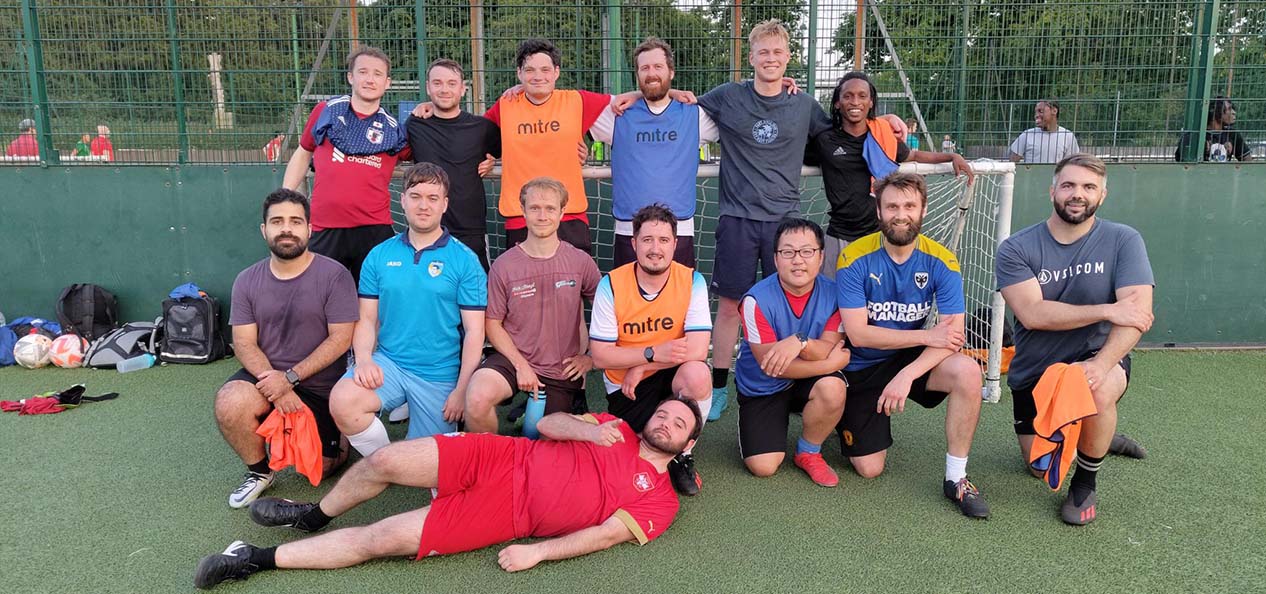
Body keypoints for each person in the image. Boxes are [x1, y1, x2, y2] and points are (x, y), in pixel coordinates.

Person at [193, 399, 701, 590]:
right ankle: (313, 516)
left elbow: (605, 536)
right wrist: (587, 431)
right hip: (504, 456)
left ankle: (252, 559)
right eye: (663, 412)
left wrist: (539, 552)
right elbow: (547, 422)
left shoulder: (661, 500)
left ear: (687, 443)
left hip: (508, 514)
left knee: (382, 539)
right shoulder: (612, 424)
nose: (665, 421)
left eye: (679, 422)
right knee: (385, 460)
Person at [696, 20, 908, 422]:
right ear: (752, 56)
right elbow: (679, 107)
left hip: (786, 222)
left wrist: (888, 119)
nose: (770, 59)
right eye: (763, 53)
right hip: (738, 218)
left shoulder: (804, 105)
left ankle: (797, 382)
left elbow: (851, 129)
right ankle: (720, 385)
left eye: (777, 53)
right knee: (730, 308)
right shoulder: (727, 97)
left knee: (794, 306)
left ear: (788, 57)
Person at [996, 153, 1154, 525]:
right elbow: (1032, 314)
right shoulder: (1017, 248)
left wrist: (1101, 365)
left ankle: (1085, 483)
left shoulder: (1124, 240)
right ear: (1053, 190)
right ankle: (1094, 431)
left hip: (1097, 356)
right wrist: (1105, 310)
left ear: (1103, 194)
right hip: (1035, 370)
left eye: (1088, 187)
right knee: (1036, 469)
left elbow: (1137, 315)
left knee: (1095, 389)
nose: (1077, 194)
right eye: (1068, 185)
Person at [835, 172, 990, 519]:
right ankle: (843, 417)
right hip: (862, 366)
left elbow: (952, 336)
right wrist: (924, 336)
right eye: (891, 206)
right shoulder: (853, 258)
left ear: (923, 211)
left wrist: (908, 374)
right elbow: (859, 334)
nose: (900, 214)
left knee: (967, 370)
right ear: (879, 211)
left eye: (909, 206)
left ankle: (957, 478)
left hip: (910, 362)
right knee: (869, 468)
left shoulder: (943, 261)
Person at [215, 188, 359, 508]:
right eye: (277, 221)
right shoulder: (246, 280)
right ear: (264, 230)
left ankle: (343, 435)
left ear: (309, 229)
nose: (287, 229)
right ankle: (259, 472)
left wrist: (291, 378)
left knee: (321, 468)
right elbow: (244, 342)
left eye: (296, 221)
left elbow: (341, 339)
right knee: (230, 402)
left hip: (319, 385)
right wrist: (277, 384)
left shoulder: (334, 275)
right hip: (267, 379)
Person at [329, 163, 486, 456]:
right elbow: (366, 319)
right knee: (343, 401)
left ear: (445, 204)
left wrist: (461, 389)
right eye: (415, 196)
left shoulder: (465, 260)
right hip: (390, 364)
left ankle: (410, 453)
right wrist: (363, 360)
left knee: (431, 464)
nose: (423, 205)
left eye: (432, 198)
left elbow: (476, 333)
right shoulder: (379, 255)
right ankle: (384, 461)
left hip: (439, 374)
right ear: (402, 200)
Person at [590, 204, 713, 496]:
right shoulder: (611, 285)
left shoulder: (692, 280)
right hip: (626, 386)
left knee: (697, 374)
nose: (655, 248)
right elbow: (600, 356)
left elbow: (697, 349)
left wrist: (644, 364)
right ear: (634, 244)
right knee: (626, 454)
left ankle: (682, 453)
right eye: (647, 240)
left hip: (667, 373)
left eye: (663, 240)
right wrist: (650, 353)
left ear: (675, 244)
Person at [464, 177, 600, 433]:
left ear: (561, 213)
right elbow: (493, 324)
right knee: (477, 398)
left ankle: (536, 412)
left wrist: (589, 358)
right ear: (523, 211)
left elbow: (609, 315)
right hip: (513, 360)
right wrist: (520, 364)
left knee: (538, 435)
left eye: (550, 208)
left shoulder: (580, 262)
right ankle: (492, 464)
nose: (542, 215)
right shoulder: (504, 265)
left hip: (561, 369)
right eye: (535, 208)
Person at [809, 72, 974, 279]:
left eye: (862, 96)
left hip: (879, 236)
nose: (855, 102)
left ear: (871, 102)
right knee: (833, 303)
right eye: (848, 96)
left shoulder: (881, 135)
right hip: (840, 235)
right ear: (837, 103)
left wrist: (951, 155)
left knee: (879, 304)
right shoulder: (824, 140)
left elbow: (912, 154)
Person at [480, 38, 626, 253]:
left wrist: (671, 94)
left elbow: (627, 101)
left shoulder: (577, 101)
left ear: (556, 72)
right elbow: (472, 134)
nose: (538, 76)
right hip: (521, 217)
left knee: (575, 285)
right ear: (519, 73)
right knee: (526, 286)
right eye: (530, 70)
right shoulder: (506, 104)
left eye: (545, 70)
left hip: (569, 215)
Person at [734, 218, 849, 487]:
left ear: (821, 257)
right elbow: (772, 366)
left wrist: (801, 342)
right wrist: (827, 363)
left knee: (833, 389)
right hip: (764, 386)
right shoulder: (755, 300)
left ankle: (809, 451)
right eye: (788, 252)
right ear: (775, 259)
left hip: (806, 379)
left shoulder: (837, 295)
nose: (798, 260)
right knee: (763, 467)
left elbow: (825, 348)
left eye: (807, 251)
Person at [282, 46, 411, 286]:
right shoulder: (326, 111)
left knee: (373, 303)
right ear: (350, 77)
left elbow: (418, 156)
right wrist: (286, 199)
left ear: (387, 82)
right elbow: (303, 152)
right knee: (319, 298)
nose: (370, 79)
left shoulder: (394, 129)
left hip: (374, 229)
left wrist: (428, 110)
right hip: (325, 227)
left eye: (377, 74)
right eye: (363, 72)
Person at [588, 36, 719, 268]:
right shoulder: (618, 112)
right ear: (637, 74)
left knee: (678, 302)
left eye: (658, 67)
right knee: (629, 303)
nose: (651, 74)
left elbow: (742, 110)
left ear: (671, 72)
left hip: (679, 228)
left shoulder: (694, 114)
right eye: (644, 68)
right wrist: (523, 87)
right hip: (629, 230)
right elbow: (567, 102)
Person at [406, 59, 501, 270]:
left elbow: (506, 151)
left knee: (475, 296)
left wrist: (493, 160)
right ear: (428, 88)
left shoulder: (482, 128)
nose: (444, 89)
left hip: (471, 229)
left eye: (451, 83)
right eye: (437, 83)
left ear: (463, 89)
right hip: (427, 227)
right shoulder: (415, 124)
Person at [1175, 96, 1252, 162]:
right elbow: (1181, 160)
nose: (1233, 112)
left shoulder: (1232, 134)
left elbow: (1247, 160)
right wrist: (1202, 149)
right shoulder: (1195, 135)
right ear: (1217, 112)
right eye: (1229, 109)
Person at [1009, 99, 1080, 164]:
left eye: (1041, 111)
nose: (1036, 115)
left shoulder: (1068, 136)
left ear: (1054, 111)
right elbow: (1012, 163)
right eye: (1035, 112)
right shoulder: (1027, 134)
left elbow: (1072, 164)